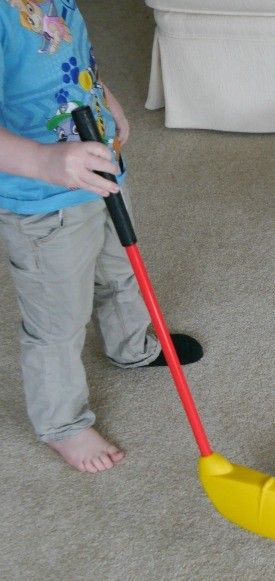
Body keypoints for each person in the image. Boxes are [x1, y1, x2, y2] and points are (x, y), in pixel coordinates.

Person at [0, 0, 203, 473]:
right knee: (57, 321)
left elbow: (69, 62)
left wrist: (106, 101)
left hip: (98, 165)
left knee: (120, 268)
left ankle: (130, 344)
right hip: (42, 203)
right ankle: (63, 425)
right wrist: (46, 162)